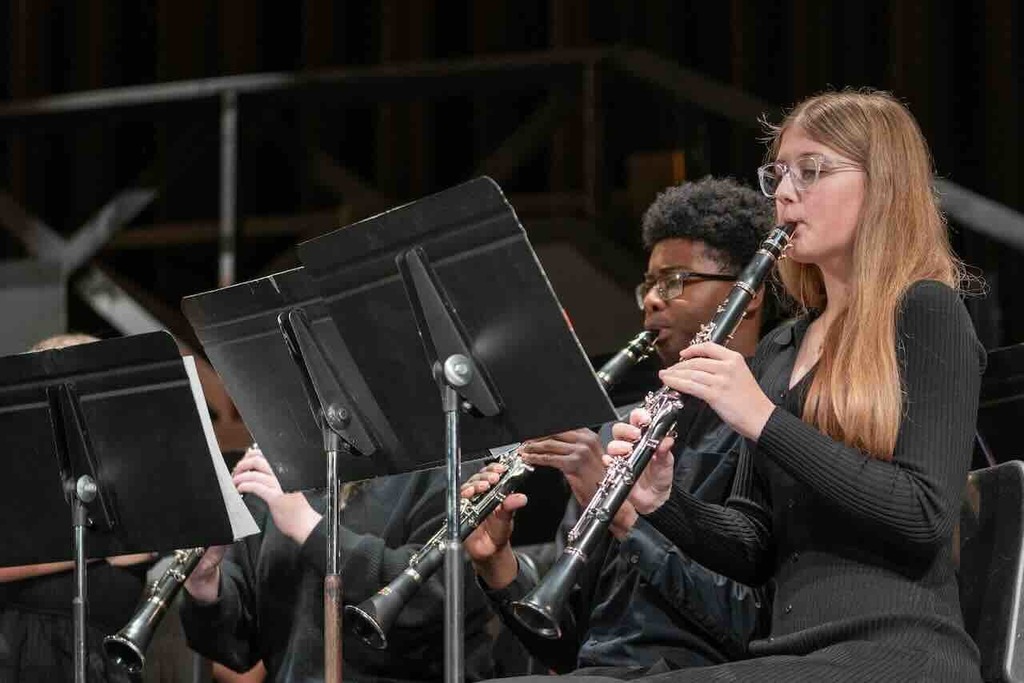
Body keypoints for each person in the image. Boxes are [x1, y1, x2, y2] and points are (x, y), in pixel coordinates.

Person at [551, 89, 983, 682]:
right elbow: (753, 547)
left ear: (881, 184)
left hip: (898, 654)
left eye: (811, 171)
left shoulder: (926, 311)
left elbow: (924, 512)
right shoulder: (782, 347)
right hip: (787, 658)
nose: (782, 193)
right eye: (776, 174)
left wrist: (762, 418)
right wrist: (662, 503)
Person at [462, 178, 777, 675]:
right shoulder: (623, 433)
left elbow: (749, 622)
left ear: (749, 294)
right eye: (649, 285)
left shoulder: (768, 421)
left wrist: (619, 513)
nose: (653, 300)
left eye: (674, 281)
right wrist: (497, 564)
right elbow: (563, 645)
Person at [179, 446, 497, 682]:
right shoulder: (279, 460)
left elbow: (438, 594)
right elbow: (237, 650)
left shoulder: (445, 454)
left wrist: (311, 530)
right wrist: (206, 584)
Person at [0, 333, 156, 683]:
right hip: (19, 657)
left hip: (105, 662)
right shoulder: (14, 470)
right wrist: (100, 547)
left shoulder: (127, 480)